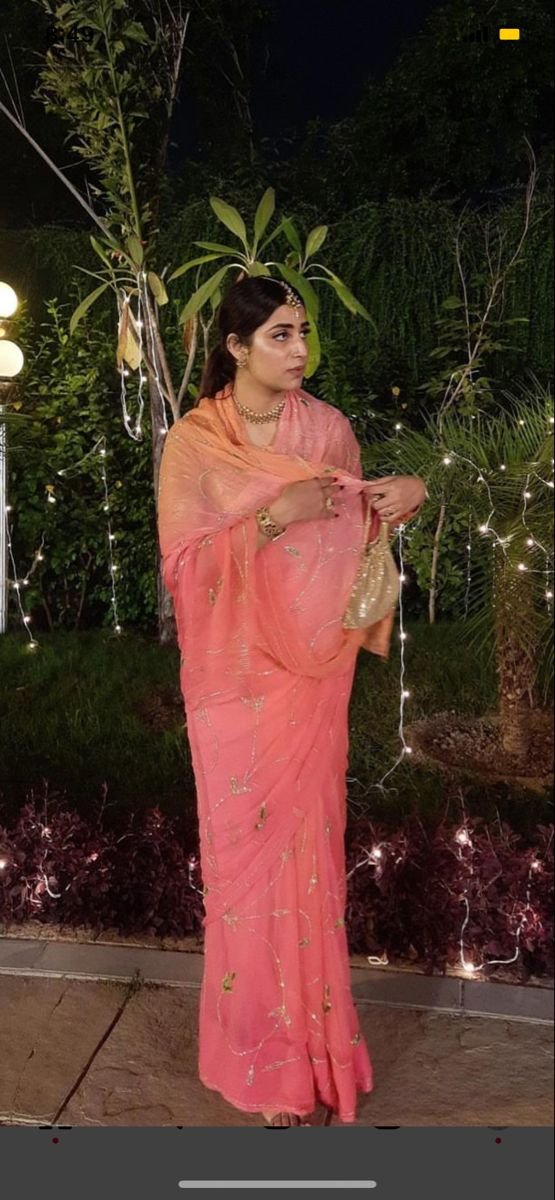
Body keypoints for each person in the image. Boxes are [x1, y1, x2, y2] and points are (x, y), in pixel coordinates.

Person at [157, 275, 426, 1127]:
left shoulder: (329, 429)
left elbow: (352, 545)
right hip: (230, 684)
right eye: (279, 335)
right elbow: (183, 569)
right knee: (242, 871)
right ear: (235, 347)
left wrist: (401, 502)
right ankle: (257, 1061)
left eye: (302, 331)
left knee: (305, 865)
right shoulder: (195, 443)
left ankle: (309, 1055)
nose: (300, 349)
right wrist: (274, 516)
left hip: (309, 681)